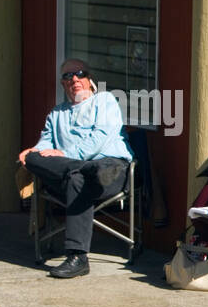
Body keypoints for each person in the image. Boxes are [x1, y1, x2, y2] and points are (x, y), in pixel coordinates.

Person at [18, 59, 132, 279]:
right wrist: (33, 151)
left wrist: (66, 154)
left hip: (109, 170)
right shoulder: (57, 113)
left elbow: (100, 138)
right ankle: (78, 258)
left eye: (79, 74)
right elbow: (46, 144)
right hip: (79, 174)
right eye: (68, 76)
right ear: (62, 84)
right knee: (37, 160)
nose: (74, 79)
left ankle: (77, 257)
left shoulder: (105, 101)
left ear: (89, 80)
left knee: (82, 177)